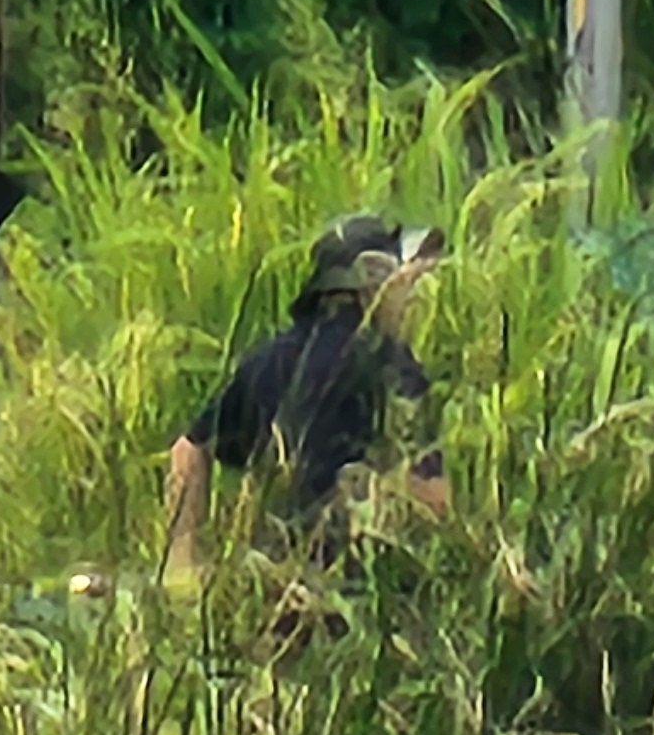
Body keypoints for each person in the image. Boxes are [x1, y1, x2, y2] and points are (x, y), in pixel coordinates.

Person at [165, 215, 445, 572]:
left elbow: (188, 451)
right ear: (374, 285)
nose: (409, 298)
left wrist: (181, 560)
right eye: (403, 284)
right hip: (365, 586)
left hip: (273, 578)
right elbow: (435, 504)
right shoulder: (394, 368)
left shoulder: (267, 361)